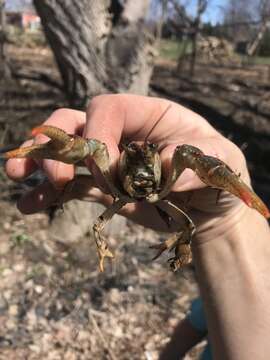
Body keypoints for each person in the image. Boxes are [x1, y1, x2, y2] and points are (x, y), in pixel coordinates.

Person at [5, 94, 270, 359]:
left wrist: (230, 217)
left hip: (168, 200)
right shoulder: (108, 165)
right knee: (94, 149)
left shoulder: (174, 170)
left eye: (150, 153)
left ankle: (177, 249)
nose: (142, 159)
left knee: (185, 157)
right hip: (131, 196)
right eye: (132, 153)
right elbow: (93, 150)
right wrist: (226, 224)